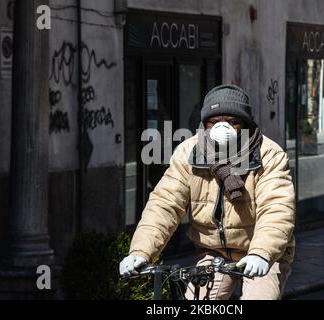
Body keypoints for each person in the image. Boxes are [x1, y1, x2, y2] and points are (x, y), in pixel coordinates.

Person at [119, 84, 295, 300]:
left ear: (246, 123)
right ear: (204, 123)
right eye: (214, 121)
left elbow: (277, 209)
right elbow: (165, 204)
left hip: (263, 250)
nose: (223, 128)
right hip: (214, 252)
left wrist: (261, 253)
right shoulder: (188, 152)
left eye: (232, 122)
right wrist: (140, 251)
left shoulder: (269, 155)